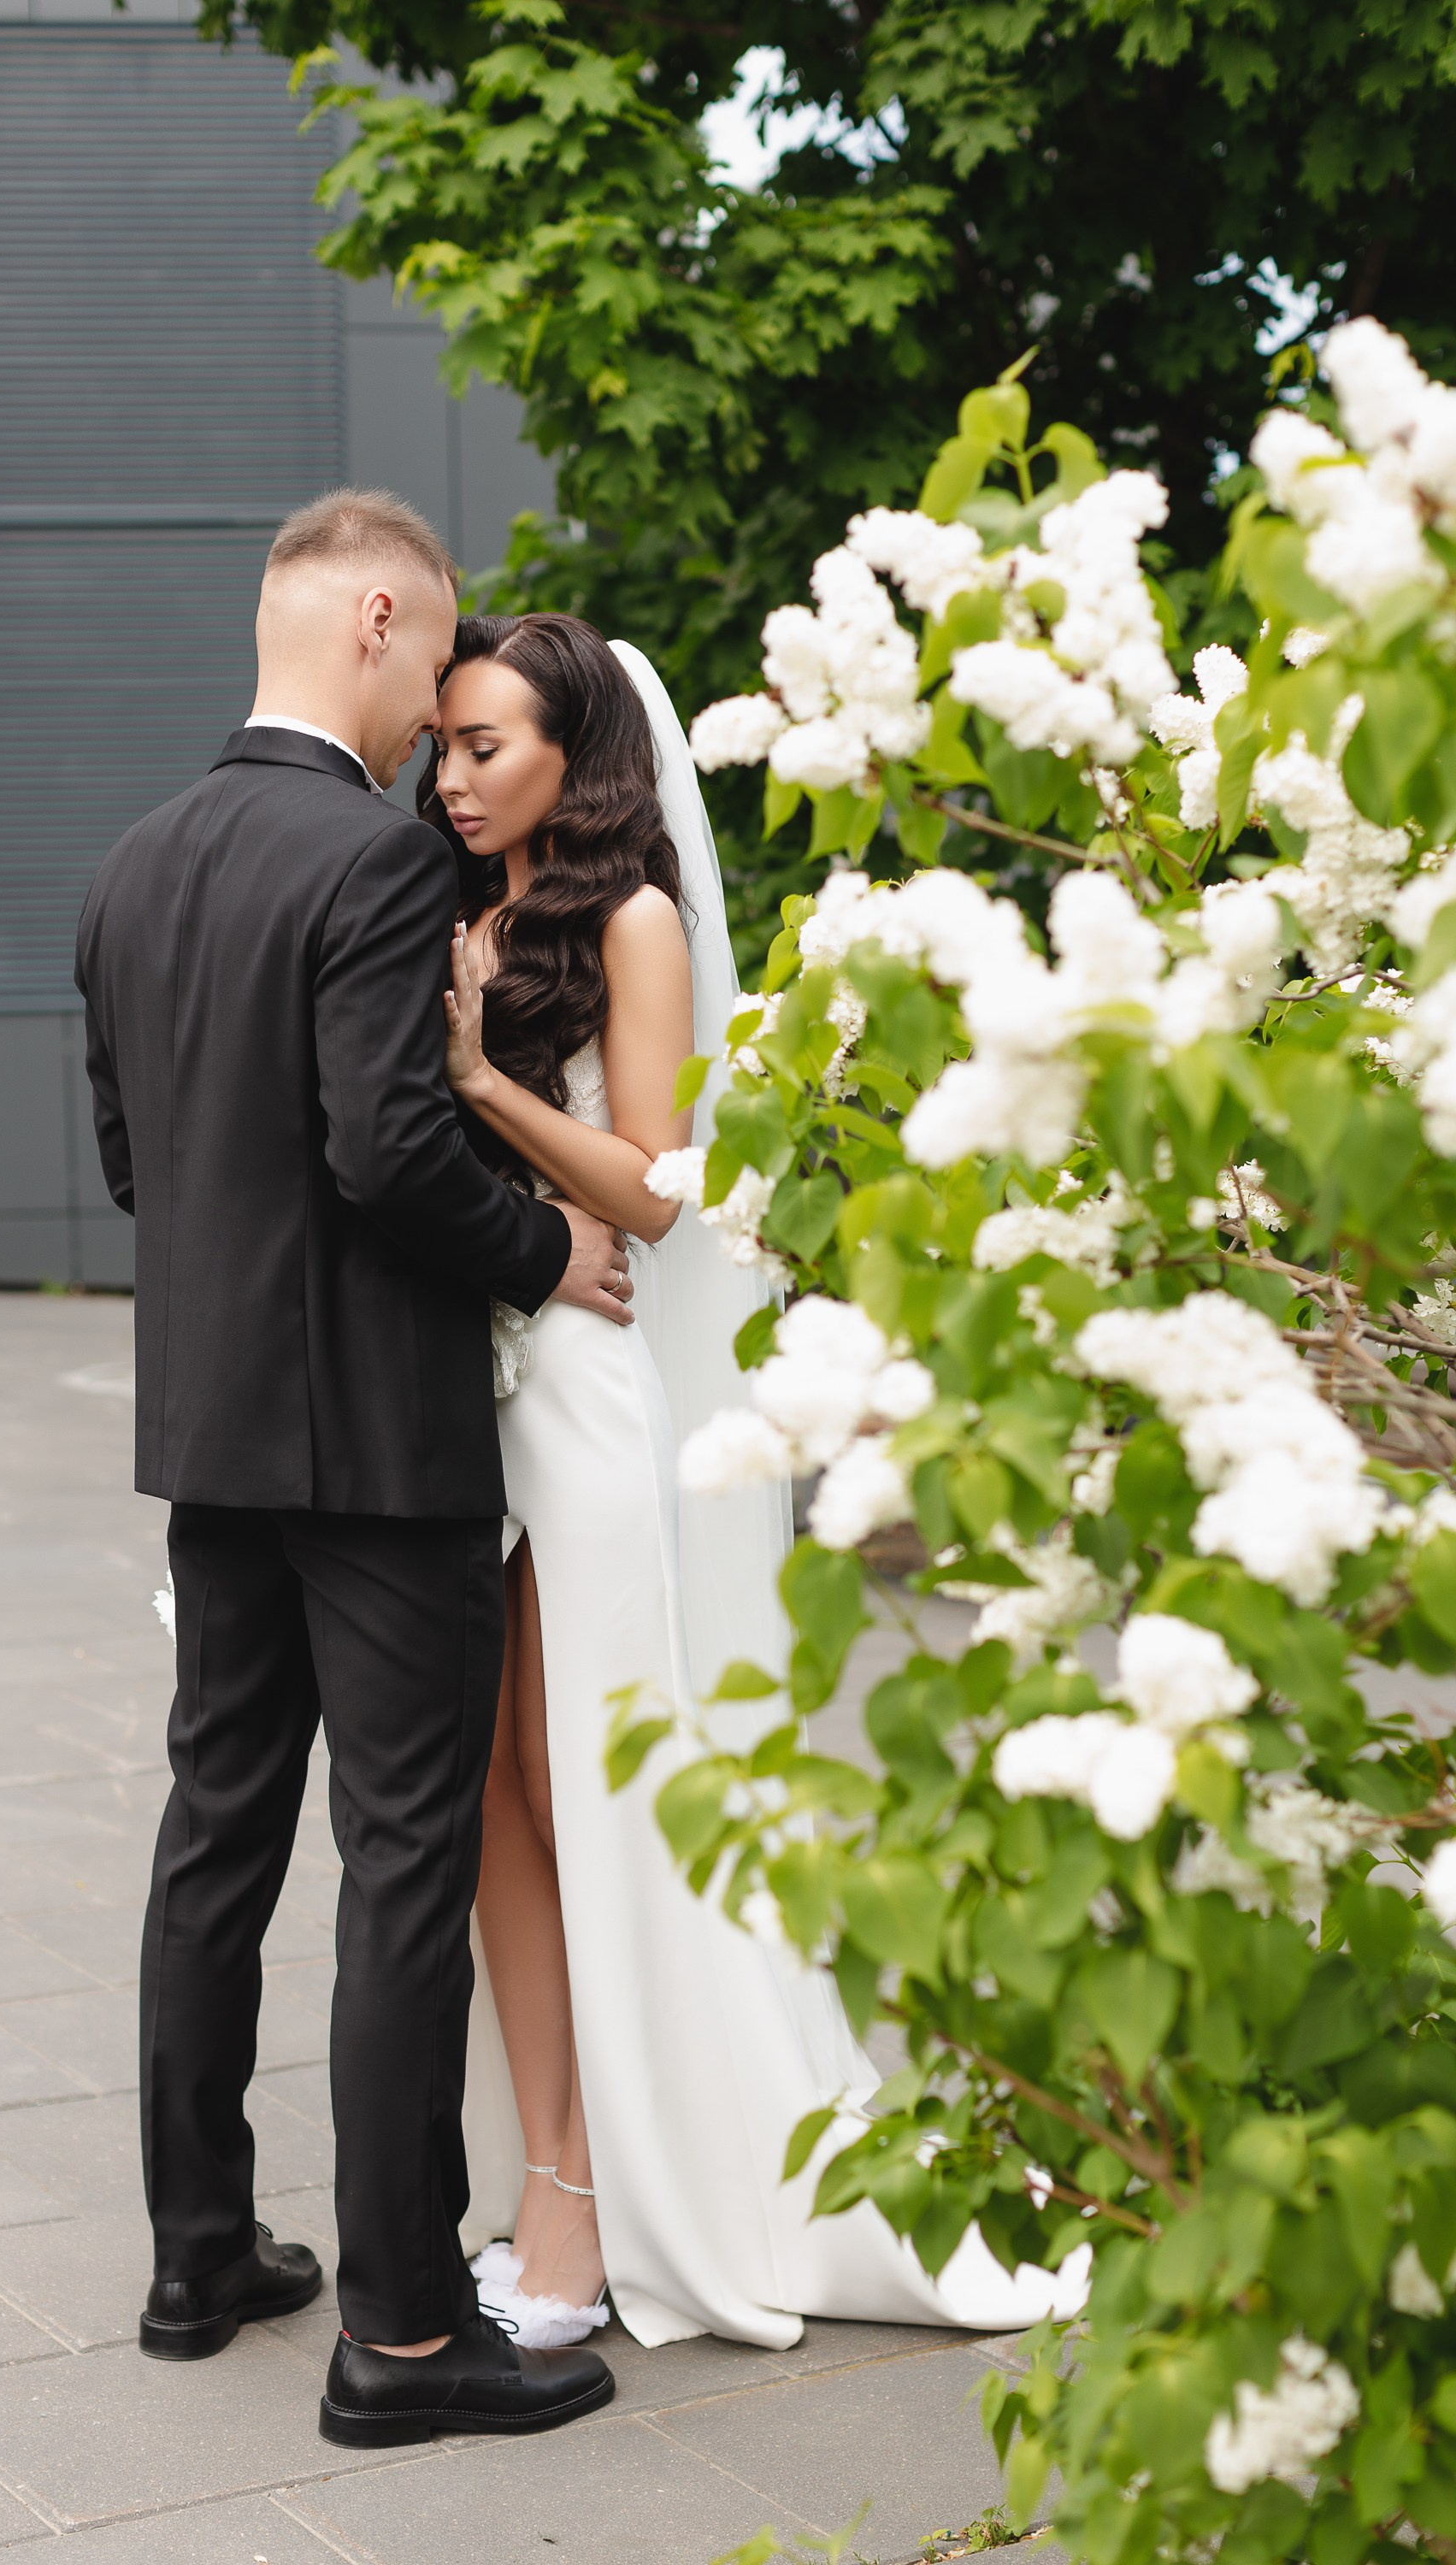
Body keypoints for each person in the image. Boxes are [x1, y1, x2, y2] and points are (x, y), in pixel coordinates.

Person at [422, 611, 1088, 2352]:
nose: (454, 779)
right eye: (444, 748)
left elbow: (658, 1189)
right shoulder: (456, 911)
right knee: (487, 1794)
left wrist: (479, 1077)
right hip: (474, 1395)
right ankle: (548, 2168)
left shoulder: (632, 921)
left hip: (587, 1399)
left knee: (584, 1791)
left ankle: (608, 2205)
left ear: (572, 750)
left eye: (486, 747)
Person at [74, 494, 621, 2448]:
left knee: (215, 1834)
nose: (432, 720)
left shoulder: (132, 865)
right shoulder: (375, 861)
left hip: (210, 1438)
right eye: (436, 658)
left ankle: (198, 2254)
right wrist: (546, 1249)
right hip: (380, 1448)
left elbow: (136, 1167)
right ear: (380, 616)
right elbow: (386, 1150)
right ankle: (398, 2335)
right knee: (403, 1859)